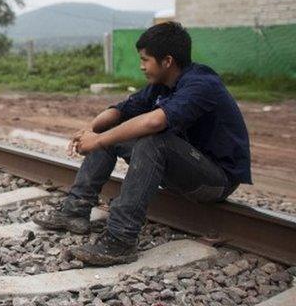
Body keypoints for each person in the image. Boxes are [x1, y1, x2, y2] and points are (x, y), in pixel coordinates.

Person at [34, 21, 251, 266]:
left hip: (215, 181)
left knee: (153, 141)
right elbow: (121, 110)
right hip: (186, 168)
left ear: (167, 61)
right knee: (112, 133)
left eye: (145, 60)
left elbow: (154, 122)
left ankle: (120, 240)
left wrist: (98, 140)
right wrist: (91, 131)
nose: (141, 66)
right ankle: (75, 211)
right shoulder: (161, 86)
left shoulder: (201, 84)